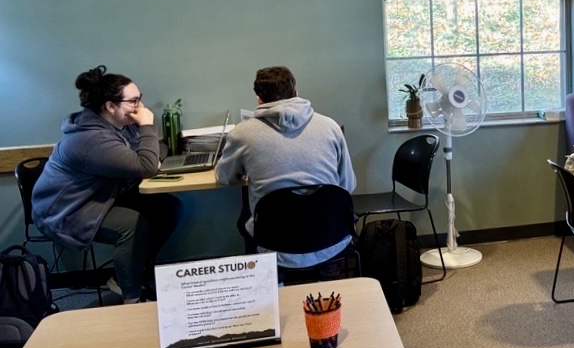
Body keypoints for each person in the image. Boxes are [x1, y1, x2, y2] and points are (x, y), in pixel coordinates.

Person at [32, 66, 182, 303]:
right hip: (67, 211)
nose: (140, 108)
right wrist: (147, 127)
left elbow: (155, 152)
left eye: (139, 99)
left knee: (168, 206)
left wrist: (149, 155)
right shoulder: (91, 139)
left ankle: (133, 272)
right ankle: (131, 295)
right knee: (133, 225)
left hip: (100, 196)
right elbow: (147, 165)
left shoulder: (118, 124)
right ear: (110, 106)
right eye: (133, 101)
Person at [215, 66, 357, 276]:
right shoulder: (330, 127)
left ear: (259, 100)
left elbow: (224, 177)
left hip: (274, 246)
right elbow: (348, 186)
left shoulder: (241, 134)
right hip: (331, 239)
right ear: (296, 94)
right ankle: (328, 280)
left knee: (245, 217)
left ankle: (274, 283)